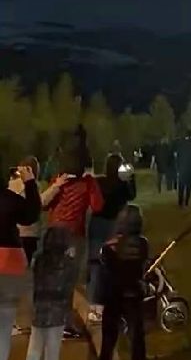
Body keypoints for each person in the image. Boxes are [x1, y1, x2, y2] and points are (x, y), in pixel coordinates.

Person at [42, 145, 104, 338]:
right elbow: (98, 206)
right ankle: (64, 324)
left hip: (53, 233)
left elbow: (45, 205)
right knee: (67, 281)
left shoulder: (59, 180)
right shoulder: (87, 183)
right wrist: (92, 181)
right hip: (72, 236)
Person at [0, 161, 40, 360]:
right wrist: (30, 183)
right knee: (4, 326)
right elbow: (31, 214)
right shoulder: (9, 200)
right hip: (10, 264)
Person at [99, 205, 148, 360]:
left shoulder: (108, 247)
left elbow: (105, 270)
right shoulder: (143, 244)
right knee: (137, 336)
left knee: (108, 337)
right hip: (133, 293)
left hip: (113, 295)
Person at [87, 153, 136, 321]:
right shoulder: (122, 185)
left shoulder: (99, 182)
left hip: (96, 223)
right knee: (110, 266)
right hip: (112, 225)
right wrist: (130, 177)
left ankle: (93, 304)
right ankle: (106, 303)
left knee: (95, 264)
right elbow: (131, 195)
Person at [24, 227, 75, 360]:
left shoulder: (39, 260)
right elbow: (69, 288)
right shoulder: (68, 264)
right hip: (58, 312)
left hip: (39, 309)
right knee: (52, 353)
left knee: (34, 350)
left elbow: (33, 283)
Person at [8, 156, 41, 266]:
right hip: (29, 233)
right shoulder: (34, 186)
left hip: (19, 233)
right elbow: (35, 209)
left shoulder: (12, 184)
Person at [175, 133, 191, 208]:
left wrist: (177, 168)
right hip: (189, 169)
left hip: (182, 168)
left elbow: (177, 158)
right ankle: (186, 202)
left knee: (181, 186)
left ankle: (180, 202)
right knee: (188, 187)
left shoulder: (181, 145)